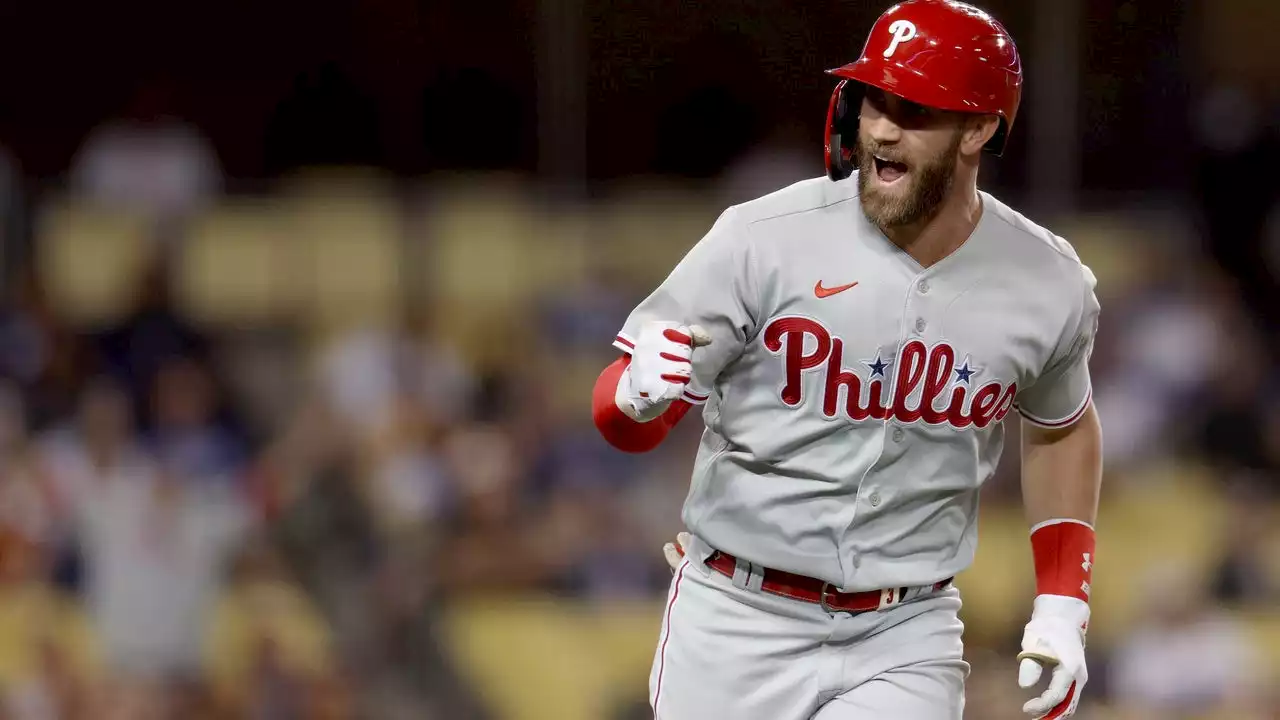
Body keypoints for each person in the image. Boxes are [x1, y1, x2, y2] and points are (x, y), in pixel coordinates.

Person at [590, 2, 1103, 719]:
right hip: (739, 615)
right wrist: (635, 396)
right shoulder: (761, 240)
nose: (884, 128)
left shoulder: (1048, 281)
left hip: (906, 631)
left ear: (980, 129)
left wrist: (1061, 604)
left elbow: (1062, 426)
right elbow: (623, 418)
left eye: (917, 110)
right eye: (875, 102)